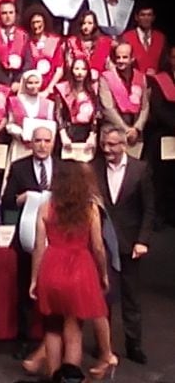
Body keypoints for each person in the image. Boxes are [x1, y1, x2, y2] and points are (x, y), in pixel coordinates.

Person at [30, 161, 109, 378]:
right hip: (79, 269)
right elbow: (99, 247)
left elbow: (38, 246)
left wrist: (34, 279)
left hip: (51, 267)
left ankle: (54, 375)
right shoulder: (90, 208)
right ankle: (70, 379)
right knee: (73, 330)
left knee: (53, 328)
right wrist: (102, 273)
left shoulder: (45, 208)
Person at [95, 127, 155, 365]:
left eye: (112, 145)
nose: (107, 149)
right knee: (104, 297)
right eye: (104, 145)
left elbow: (149, 209)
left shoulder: (140, 170)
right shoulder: (93, 167)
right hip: (103, 242)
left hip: (131, 243)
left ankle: (134, 345)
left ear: (124, 145)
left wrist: (143, 240)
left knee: (131, 297)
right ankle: (104, 346)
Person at [2, 126, 56, 360]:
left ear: (53, 143)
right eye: (38, 140)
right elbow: (6, 201)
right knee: (25, 289)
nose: (42, 145)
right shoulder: (19, 167)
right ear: (30, 143)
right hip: (27, 240)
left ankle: (51, 338)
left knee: (52, 290)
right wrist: (20, 198)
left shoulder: (64, 168)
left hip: (56, 240)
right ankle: (23, 339)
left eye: (46, 140)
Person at [98, 42, 149, 152]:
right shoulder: (106, 78)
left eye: (125, 57)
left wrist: (136, 128)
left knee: (134, 167)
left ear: (132, 59)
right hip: (113, 132)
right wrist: (126, 130)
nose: (121, 60)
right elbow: (108, 108)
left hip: (136, 136)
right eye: (118, 57)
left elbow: (145, 107)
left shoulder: (141, 77)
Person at [148, 45, 175, 226]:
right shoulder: (161, 81)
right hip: (166, 134)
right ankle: (160, 214)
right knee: (163, 176)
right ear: (170, 59)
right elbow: (158, 109)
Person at [55, 57, 99, 158]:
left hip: (87, 133)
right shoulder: (62, 88)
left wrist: (93, 135)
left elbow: (96, 115)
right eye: (77, 68)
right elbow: (58, 113)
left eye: (83, 69)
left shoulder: (93, 90)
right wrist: (63, 135)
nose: (79, 72)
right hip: (68, 131)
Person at [22, 6, 63, 95]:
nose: (36, 26)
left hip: (51, 89)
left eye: (38, 22)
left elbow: (59, 69)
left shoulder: (55, 40)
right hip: (31, 89)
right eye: (33, 23)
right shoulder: (26, 42)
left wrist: (49, 89)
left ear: (44, 22)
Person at [64, 10, 113, 81]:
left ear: (95, 24)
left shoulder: (103, 42)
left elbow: (108, 65)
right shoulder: (72, 42)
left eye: (90, 23)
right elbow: (69, 64)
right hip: (77, 80)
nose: (86, 26)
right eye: (83, 23)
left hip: (99, 81)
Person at [121, 5, 167, 76]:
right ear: (136, 17)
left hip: (157, 81)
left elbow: (164, 63)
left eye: (149, 15)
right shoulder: (127, 37)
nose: (146, 18)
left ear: (153, 18)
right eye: (142, 15)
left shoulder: (161, 38)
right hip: (135, 81)